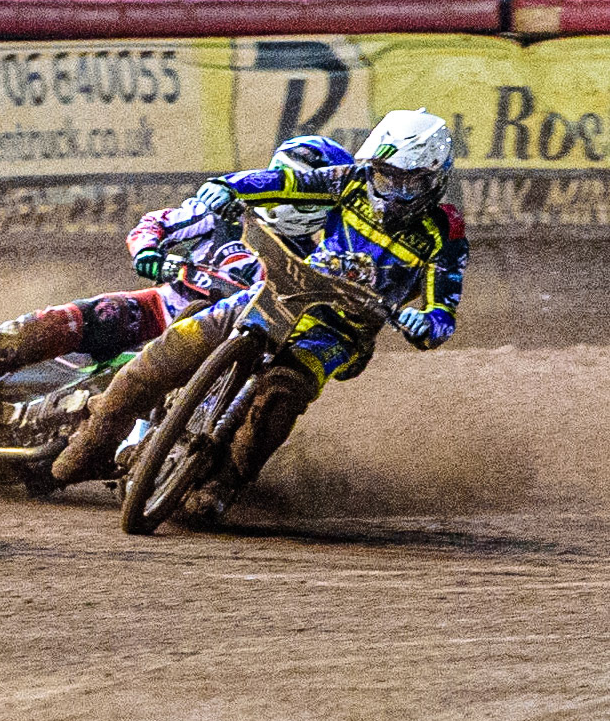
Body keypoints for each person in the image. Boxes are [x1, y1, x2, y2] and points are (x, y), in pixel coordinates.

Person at [51, 109, 469, 494]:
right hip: (282, 291)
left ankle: (222, 488)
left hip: (340, 332)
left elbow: (442, 311)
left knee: (280, 396)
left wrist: (426, 323)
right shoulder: (351, 180)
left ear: (435, 181)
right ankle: (95, 439)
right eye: (386, 176)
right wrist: (228, 186)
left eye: (410, 182)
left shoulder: (445, 233)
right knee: (169, 350)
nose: (394, 193)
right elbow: (287, 183)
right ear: (371, 168)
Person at [0, 135, 354, 461]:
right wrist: (151, 252)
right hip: (154, 312)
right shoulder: (229, 213)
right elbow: (157, 223)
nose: (307, 203)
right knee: (40, 329)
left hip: (219, 354)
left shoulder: (325, 257)